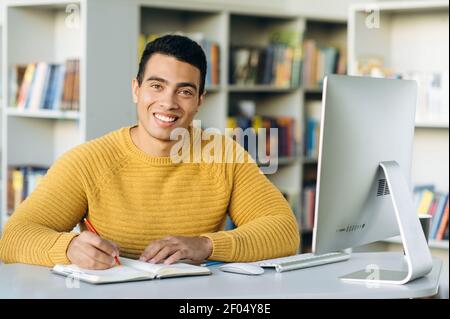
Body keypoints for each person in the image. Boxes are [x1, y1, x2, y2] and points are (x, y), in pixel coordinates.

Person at [0, 35, 299, 270]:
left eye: (184, 91)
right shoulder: (88, 161)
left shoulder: (223, 155)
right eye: (156, 86)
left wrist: (205, 245)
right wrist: (67, 248)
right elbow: (13, 238)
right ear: (136, 90)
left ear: (199, 101)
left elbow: (284, 232)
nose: (168, 103)